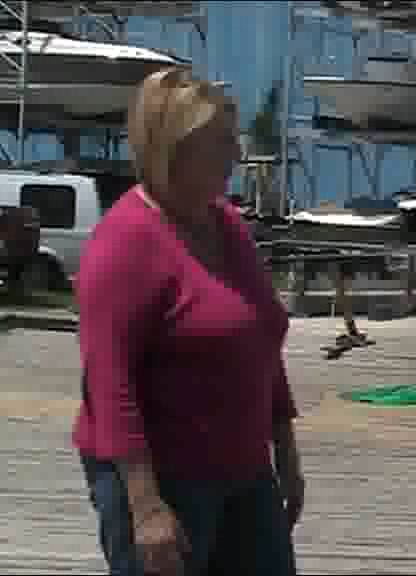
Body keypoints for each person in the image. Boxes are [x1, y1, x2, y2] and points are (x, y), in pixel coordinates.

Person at [73, 66, 304, 576]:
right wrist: (145, 506)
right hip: (164, 479)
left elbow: (261, 336)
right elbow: (110, 384)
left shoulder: (227, 224)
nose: (236, 155)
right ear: (173, 149)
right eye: (221, 143)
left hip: (246, 472)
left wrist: (286, 452)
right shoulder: (124, 242)